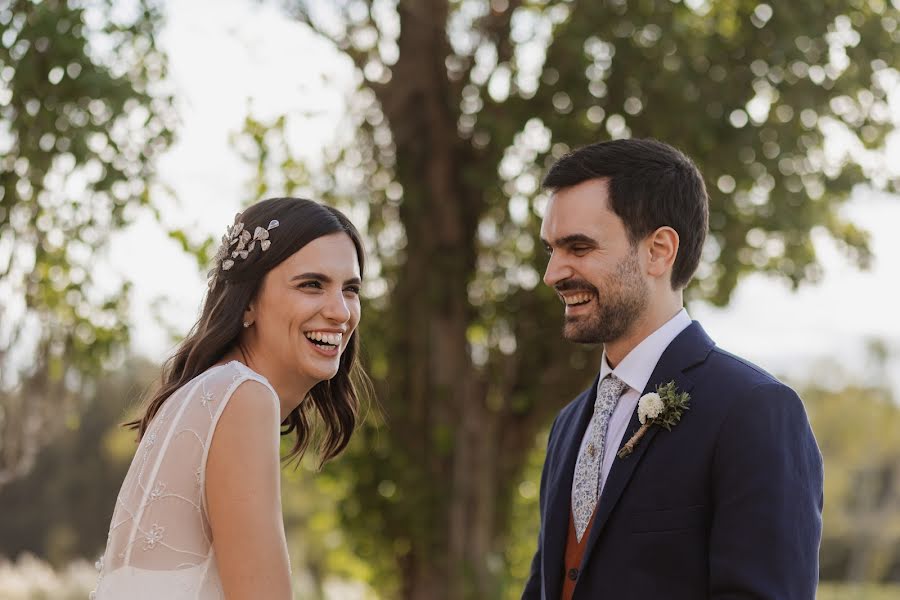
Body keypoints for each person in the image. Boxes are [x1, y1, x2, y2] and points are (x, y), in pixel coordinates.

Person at [522, 139, 823, 600]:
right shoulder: (568, 424)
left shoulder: (753, 410)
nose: (553, 273)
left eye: (578, 247)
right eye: (551, 250)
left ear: (659, 250)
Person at [92, 197, 369, 599]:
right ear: (249, 301)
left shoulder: (204, 395)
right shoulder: (242, 396)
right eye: (312, 285)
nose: (340, 311)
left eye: (351, 289)